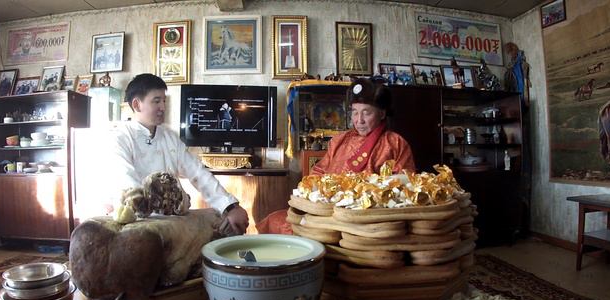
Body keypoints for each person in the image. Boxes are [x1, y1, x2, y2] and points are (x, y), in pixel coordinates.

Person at [256, 77, 416, 234]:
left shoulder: (395, 144)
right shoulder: (339, 140)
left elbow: (405, 186)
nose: (359, 120)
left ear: (382, 114)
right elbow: (318, 172)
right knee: (275, 219)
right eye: (355, 113)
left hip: (366, 215)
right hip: (328, 208)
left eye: (366, 113)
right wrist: (315, 190)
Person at [106, 73, 249, 234]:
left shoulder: (170, 137)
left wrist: (229, 207)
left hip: (172, 218)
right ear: (137, 105)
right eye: (156, 101)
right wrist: (171, 201)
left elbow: (198, 173)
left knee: (225, 223)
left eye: (164, 101)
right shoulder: (119, 137)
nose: (163, 107)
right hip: (135, 222)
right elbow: (127, 183)